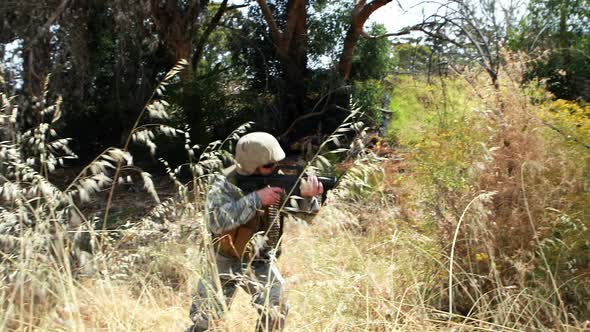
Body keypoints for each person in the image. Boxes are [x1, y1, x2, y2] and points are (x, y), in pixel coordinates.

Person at [187, 132, 324, 332]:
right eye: (269, 165)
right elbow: (215, 222)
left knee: (276, 310)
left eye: (276, 163)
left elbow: (306, 216)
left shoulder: (278, 179)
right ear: (251, 164)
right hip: (223, 259)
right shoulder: (225, 184)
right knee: (204, 321)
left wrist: (307, 197)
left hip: (259, 260)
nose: (275, 168)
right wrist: (255, 200)